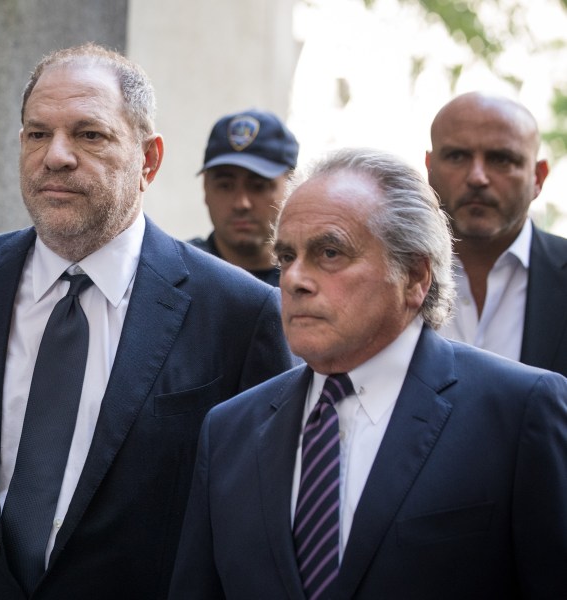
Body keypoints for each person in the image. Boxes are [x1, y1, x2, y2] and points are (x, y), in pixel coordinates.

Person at [0, 43, 293, 600]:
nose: (56, 156)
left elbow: (257, 535)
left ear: (148, 159)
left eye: (89, 134)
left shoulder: (239, 314)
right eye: (37, 134)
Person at [169, 148, 567, 599]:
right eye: (286, 257)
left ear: (415, 276)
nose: (295, 279)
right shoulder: (230, 430)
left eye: (330, 252)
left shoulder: (519, 411)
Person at [427, 91, 567, 377]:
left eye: (501, 159)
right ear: (429, 168)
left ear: (538, 178)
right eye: (457, 156)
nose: (477, 177)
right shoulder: (388, 275)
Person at [188, 109, 299, 286]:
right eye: (225, 186)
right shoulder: (176, 274)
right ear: (205, 188)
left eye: (258, 186)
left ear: (292, 188)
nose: (241, 203)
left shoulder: (310, 281)